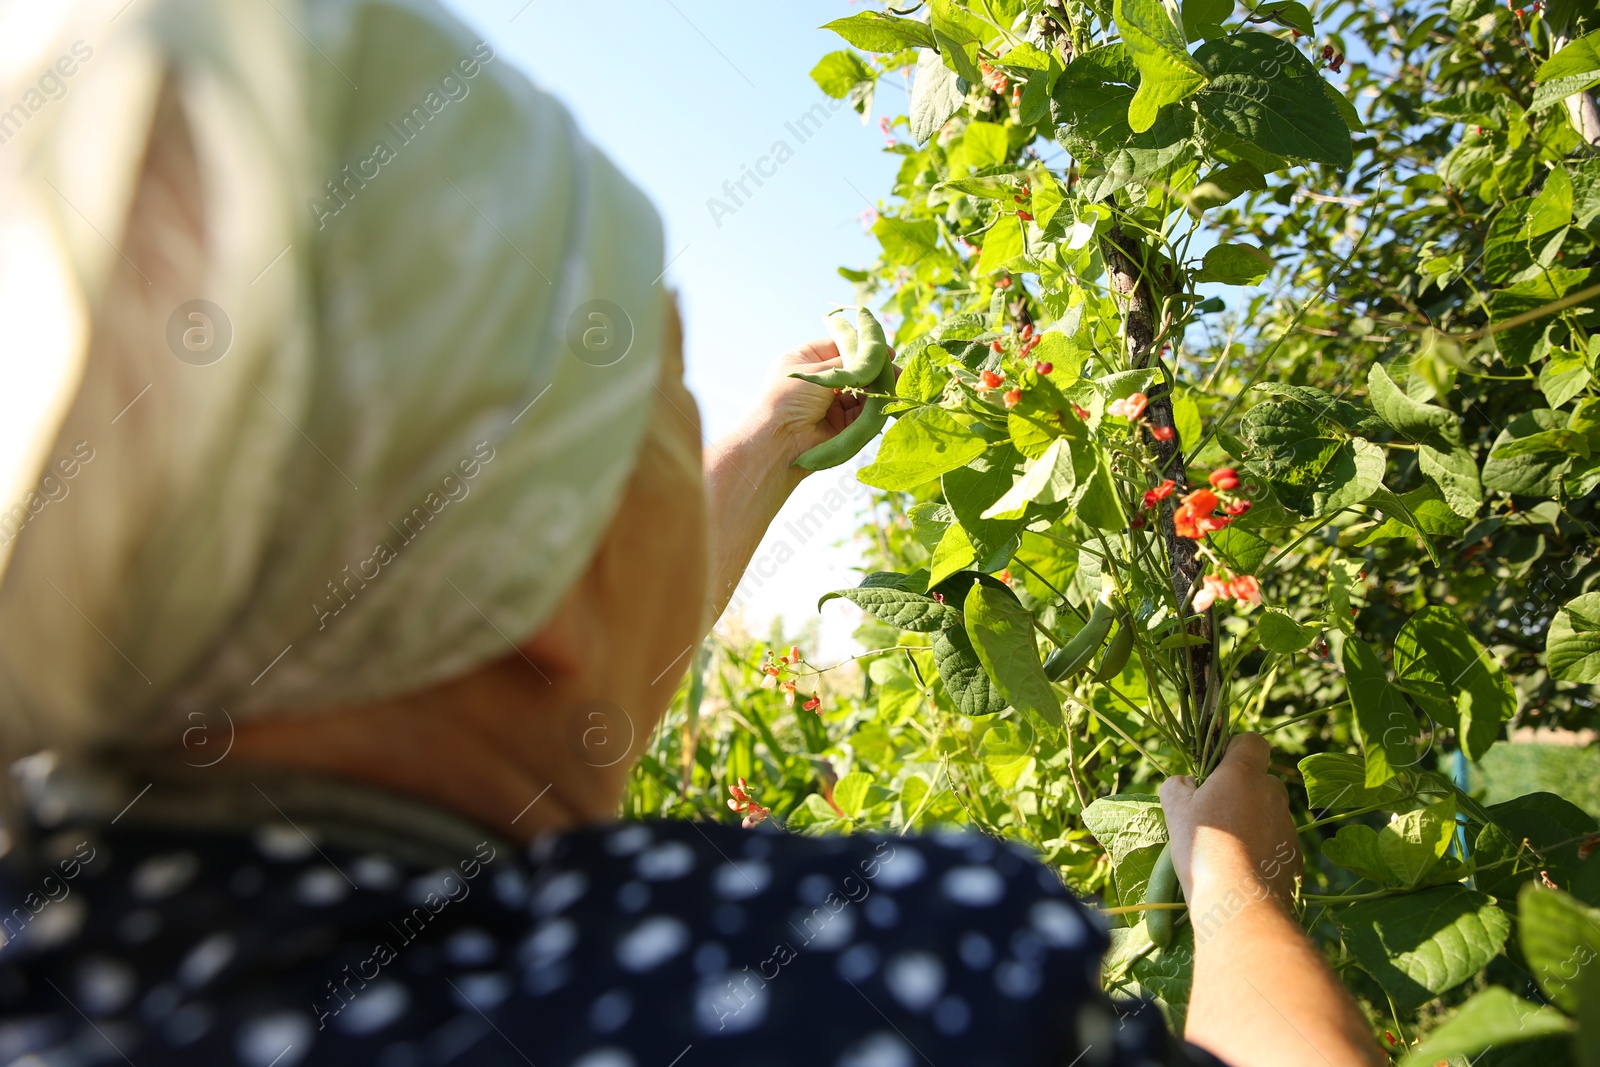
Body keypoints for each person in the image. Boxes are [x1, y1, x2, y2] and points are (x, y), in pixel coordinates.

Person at [0, 1, 1384, 1065]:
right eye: (659, 383)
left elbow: (503, 682)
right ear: (535, 566)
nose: (688, 405)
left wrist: (768, 443)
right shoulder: (873, 972)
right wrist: (1234, 885)